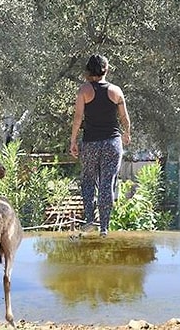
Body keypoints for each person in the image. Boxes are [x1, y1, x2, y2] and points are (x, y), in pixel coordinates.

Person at [69, 54, 130, 237]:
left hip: (91, 143)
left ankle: (89, 220)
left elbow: (78, 118)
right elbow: (124, 117)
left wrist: (73, 141)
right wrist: (127, 132)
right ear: (106, 69)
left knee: (88, 180)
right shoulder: (116, 91)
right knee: (107, 183)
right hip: (112, 142)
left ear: (88, 71)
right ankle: (104, 227)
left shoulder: (84, 91)